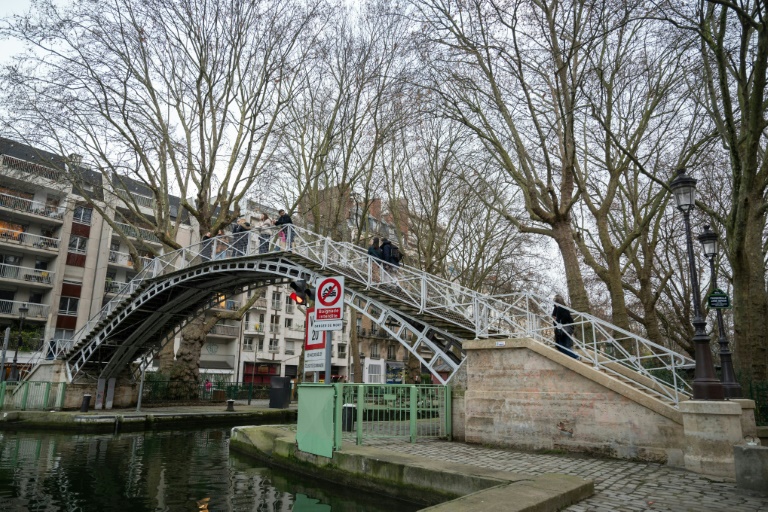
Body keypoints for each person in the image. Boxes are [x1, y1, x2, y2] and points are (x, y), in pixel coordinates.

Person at [552, 294, 578, 359]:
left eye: (554, 302)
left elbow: (565, 318)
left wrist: (559, 322)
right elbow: (554, 317)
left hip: (564, 330)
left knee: (563, 346)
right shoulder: (558, 308)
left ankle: (576, 356)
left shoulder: (562, 308)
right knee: (562, 346)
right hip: (562, 330)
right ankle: (574, 356)